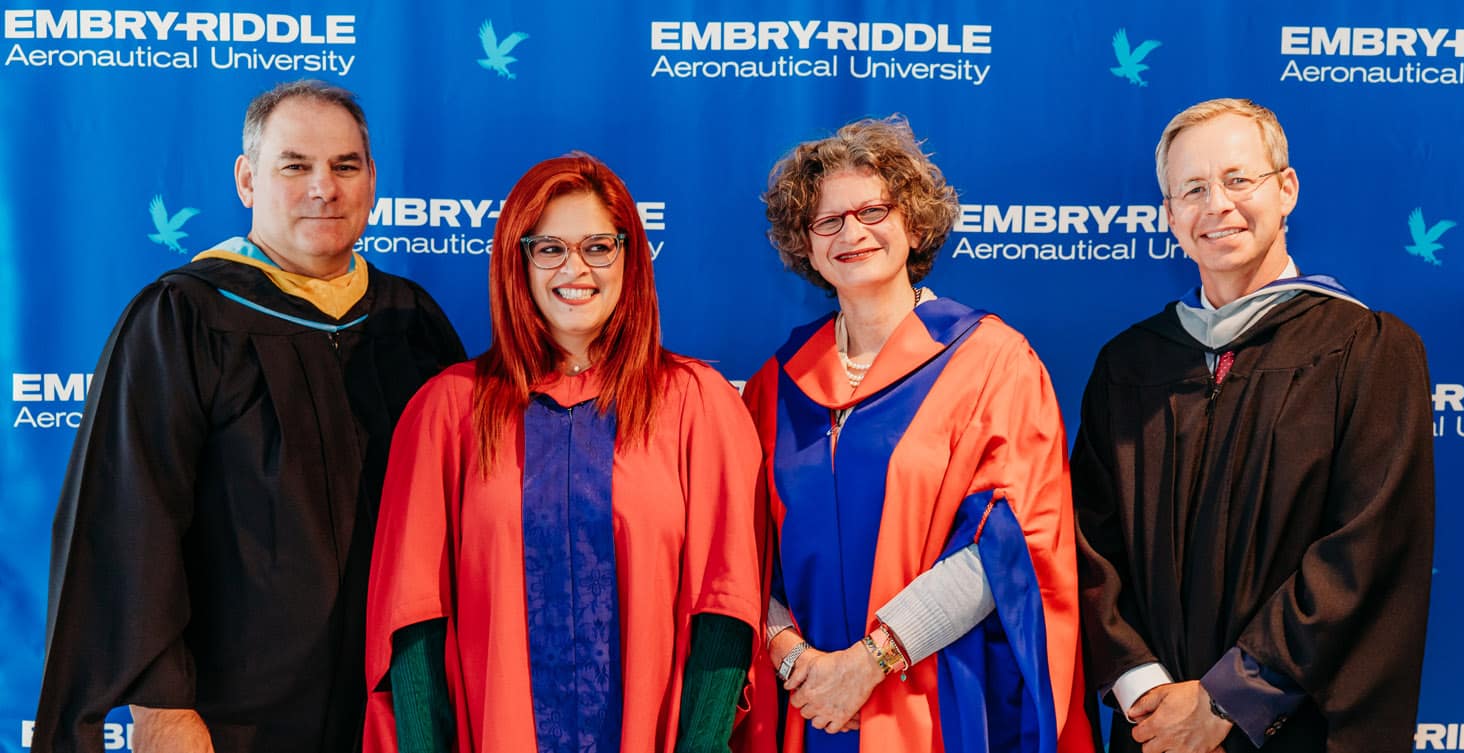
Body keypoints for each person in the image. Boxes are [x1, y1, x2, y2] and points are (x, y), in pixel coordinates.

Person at [33, 79, 466, 753]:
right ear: (246, 179)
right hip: (232, 719)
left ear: (372, 179)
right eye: (295, 165)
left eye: (344, 166)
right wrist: (162, 705)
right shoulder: (184, 318)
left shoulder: (410, 324)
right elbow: (132, 520)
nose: (324, 187)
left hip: (396, 710)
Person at [362, 153, 762, 753]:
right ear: (515, 263)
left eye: (598, 246)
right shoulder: (447, 412)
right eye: (549, 248)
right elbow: (414, 618)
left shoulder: (697, 404)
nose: (575, 268)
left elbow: (725, 607)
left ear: (630, 258)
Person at [1071, 98, 1435, 753]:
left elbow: (1364, 552)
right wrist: (1143, 688)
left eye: (1239, 179)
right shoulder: (1129, 366)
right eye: (1193, 189)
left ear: (1286, 189)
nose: (1218, 205)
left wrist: (1225, 698)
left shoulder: (1367, 350)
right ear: (1170, 216)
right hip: (1152, 732)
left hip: (1298, 729)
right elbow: (1087, 546)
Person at [741, 117, 1095, 753]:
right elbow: (745, 553)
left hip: (942, 703)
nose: (852, 232)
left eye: (873, 210)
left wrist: (871, 660)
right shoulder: (778, 382)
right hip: (813, 708)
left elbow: (1011, 549)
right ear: (806, 244)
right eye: (827, 221)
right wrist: (795, 660)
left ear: (913, 220)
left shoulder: (992, 361)